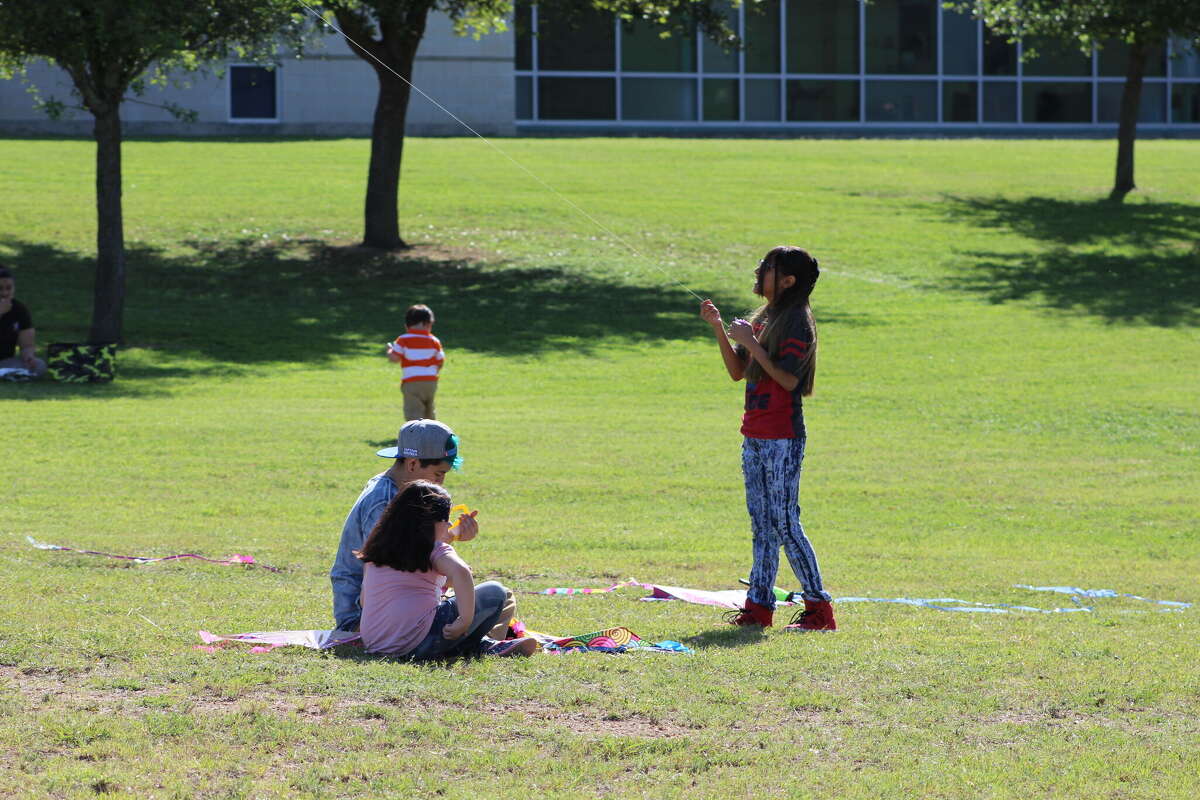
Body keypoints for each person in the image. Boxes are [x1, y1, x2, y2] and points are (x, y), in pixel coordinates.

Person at [699, 246, 836, 632]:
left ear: (788, 281)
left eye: (769, 268)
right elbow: (739, 371)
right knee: (762, 525)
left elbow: (790, 380)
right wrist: (719, 329)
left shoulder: (797, 322)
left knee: (785, 523)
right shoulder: (765, 317)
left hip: (782, 437)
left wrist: (752, 341)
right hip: (755, 434)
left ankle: (819, 609)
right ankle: (758, 607)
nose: (759, 271)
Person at [330, 419, 517, 637]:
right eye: (438, 474)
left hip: (394, 608)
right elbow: (397, 567)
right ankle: (481, 643)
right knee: (499, 597)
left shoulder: (394, 489)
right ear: (412, 464)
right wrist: (452, 574)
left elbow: (412, 554)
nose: (441, 482)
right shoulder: (383, 503)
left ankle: (479, 638)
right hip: (365, 619)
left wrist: (453, 536)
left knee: (494, 600)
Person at [357, 480, 537, 659]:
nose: (450, 525)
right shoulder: (433, 549)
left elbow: (366, 601)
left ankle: (481, 645)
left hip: (375, 644)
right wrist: (464, 621)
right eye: (446, 519)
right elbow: (462, 573)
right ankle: (481, 645)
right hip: (421, 644)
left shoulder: (375, 550)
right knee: (496, 591)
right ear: (431, 521)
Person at [388, 304, 444, 421]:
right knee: (429, 408)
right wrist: (433, 372)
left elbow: (394, 358)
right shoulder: (434, 341)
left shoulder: (403, 339)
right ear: (427, 324)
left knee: (413, 411)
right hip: (431, 382)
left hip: (412, 382)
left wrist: (390, 351)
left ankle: (414, 433)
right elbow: (440, 360)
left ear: (407, 325)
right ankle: (432, 432)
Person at [0, 265, 47, 378]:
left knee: (40, 365)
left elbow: (27, 345)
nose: (5, 293)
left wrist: (28, 356)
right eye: (0, 289)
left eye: (8, 288)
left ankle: (10, 373)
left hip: (3, 362)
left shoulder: (19, 309)